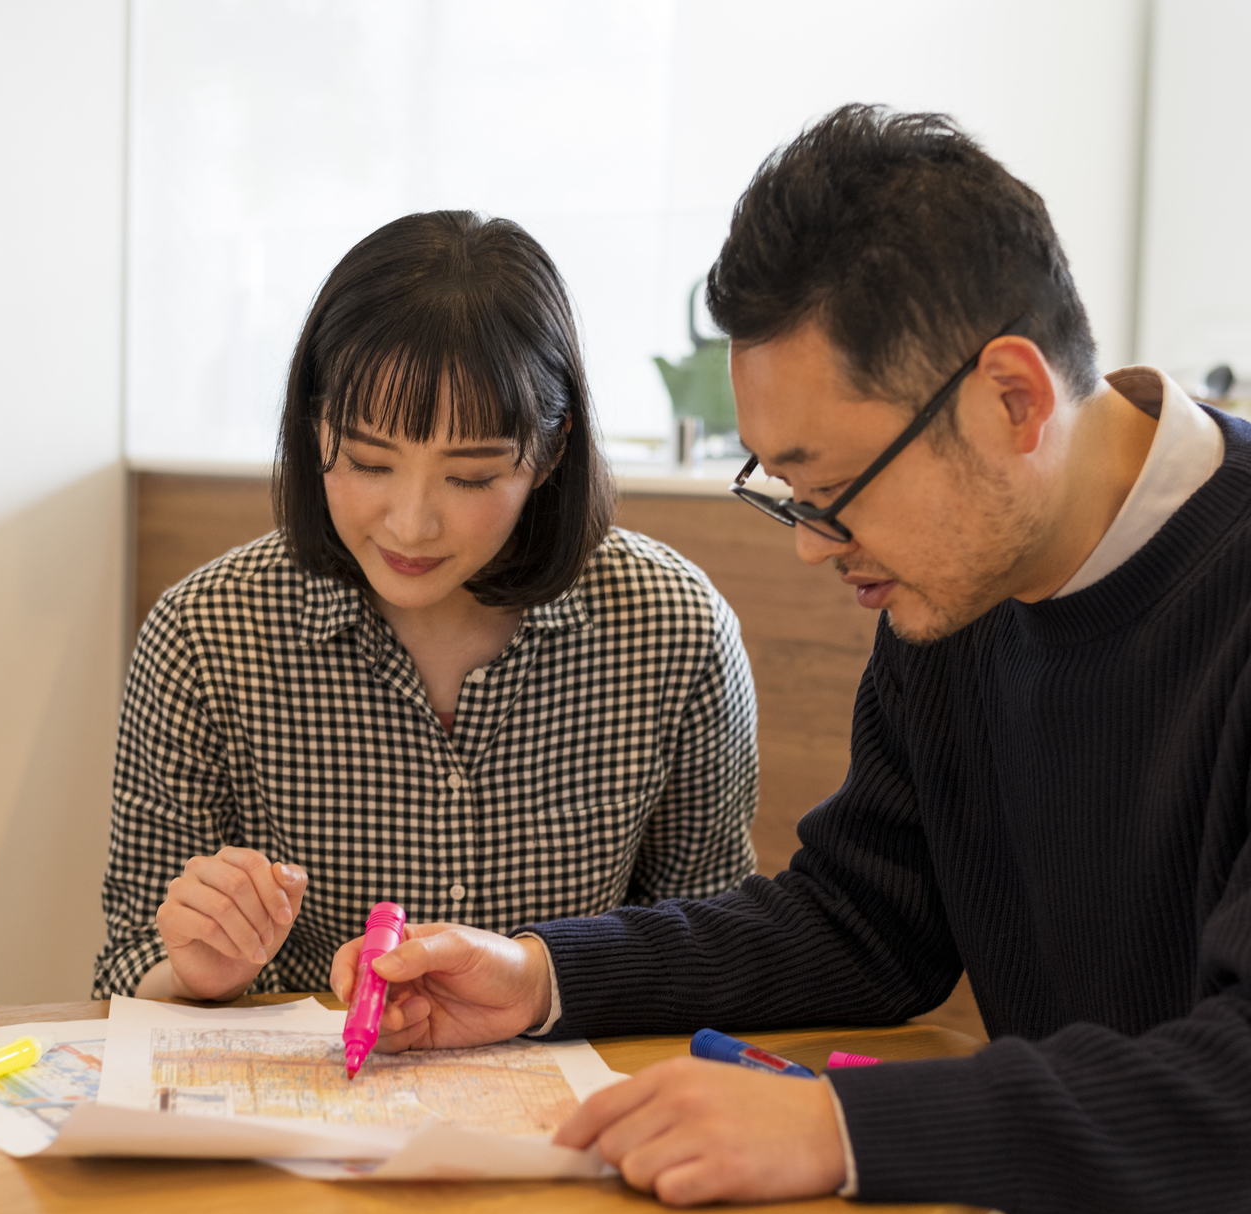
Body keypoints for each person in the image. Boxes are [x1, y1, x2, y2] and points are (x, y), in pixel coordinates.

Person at [330, 109, 1251, 1214]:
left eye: (830, 487)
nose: (810, 546)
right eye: (783, 491)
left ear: (1009, 396)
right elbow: (863, 920)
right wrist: (538, 975)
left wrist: (839, 1126)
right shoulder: (954, 595)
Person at [95, 210, 758, 1002]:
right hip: (306, 1113)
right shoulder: (204, 634)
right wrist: (195, 972)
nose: (410, 522)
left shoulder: (673, 630)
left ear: (549, 452)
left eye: (471, 477)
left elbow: (717, 952)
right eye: (370, 460)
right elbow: (124, 966)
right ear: (314, 427)